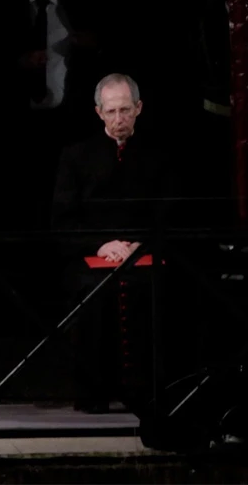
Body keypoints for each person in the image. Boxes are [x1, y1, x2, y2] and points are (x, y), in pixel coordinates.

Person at [51, 73, 173, 413]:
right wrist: (102, 245)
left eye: (125, 111)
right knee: (91, 292)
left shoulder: (158, 156)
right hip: (92, 253)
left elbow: (167, 215)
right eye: (111, 112)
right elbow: (63, 221)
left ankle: (151, 391)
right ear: (98, 112)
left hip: (145, 253)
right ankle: (95, 391)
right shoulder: (76, 157)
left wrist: (140, 245)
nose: (119, 120)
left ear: (138, 109)